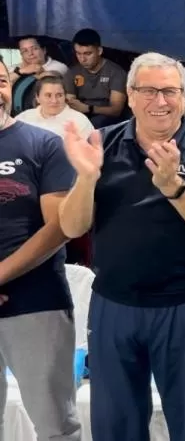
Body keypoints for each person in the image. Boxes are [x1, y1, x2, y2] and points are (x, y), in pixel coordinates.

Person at [58, 52, 185, 441]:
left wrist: (175, 187)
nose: (161, 101)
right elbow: (72, 227)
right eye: (149, 91)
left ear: (183, 97)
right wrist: (87, 179)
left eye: (170, 91)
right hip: (114, 305)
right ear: (132, 96)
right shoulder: (101, 143)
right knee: (116, 426)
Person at [0, 58, 82, 440]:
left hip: (35, 302)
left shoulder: (42, 145)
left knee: (55, 427)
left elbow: (59, 227)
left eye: (1, 81)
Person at [17, 74, 95, 139]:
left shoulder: (79, 121)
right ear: (37, 97)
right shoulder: (24, 118)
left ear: (65, 96)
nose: (54, 101)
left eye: (59, 95)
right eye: (48, 95)